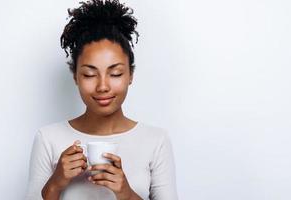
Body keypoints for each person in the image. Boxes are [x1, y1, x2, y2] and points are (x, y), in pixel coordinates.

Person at [25, 0, 177, 199]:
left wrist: (126, 194)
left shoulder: (156, 141)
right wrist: (55, 183)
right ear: (75, 77)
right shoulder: (48, 138)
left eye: (115, 73)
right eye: (89, 74)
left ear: (130, 75)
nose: (102, 86)